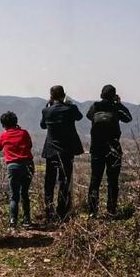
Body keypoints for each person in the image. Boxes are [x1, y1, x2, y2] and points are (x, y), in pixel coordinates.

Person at [86, 84, 132, 217]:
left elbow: (89, 117)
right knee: (113, 181)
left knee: (95, 180)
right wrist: (119, 103)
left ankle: (92, 211)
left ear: (101, 94)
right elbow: (128, 119)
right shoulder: (116, 107)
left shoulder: (95, 107)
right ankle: (111, 210)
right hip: (113, 149)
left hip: (96, 149)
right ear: (114, 95)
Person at [40, 85, 84, 222]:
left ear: (51, 96)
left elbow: (42, 125)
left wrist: (48, 105)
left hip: (50, 150)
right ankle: (62, 211)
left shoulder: (46, 110)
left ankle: (49, 209)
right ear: (64, 95)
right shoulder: (71, 109)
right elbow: (80, 117)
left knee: (49, 181)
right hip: (66, 151)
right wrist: (69, 103)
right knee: (64, 181)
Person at [0, 111, 34, 229]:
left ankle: (13, 222)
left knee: (14, 195)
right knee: (24, 193)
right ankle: (27, 220)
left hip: (13, 167)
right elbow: (29, 145)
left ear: (3, 125)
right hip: (28, 165)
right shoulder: (24, 133)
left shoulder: (4, 135)